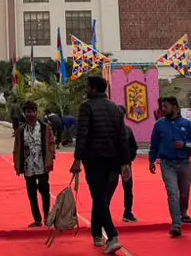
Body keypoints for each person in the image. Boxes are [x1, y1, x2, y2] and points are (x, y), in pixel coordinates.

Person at [70, 75, 130, 254]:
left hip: (94, 159)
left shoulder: (86, 107)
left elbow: (82, 134)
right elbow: (123, 137)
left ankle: (112, 235)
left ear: (94, 88)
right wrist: (125, 162)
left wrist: (77, 159)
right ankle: (96, 233)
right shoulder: (116, 108)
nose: (86, 90)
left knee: (99, 198)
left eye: (87, 87)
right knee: (103, 198)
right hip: (114, 160)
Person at [148, 96, 191, 237]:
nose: (163, 109)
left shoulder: (188, 124)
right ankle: (176, 224)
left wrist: (185, 145)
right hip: (167, 163)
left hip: (184, 163)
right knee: (172, 192)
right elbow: (154, 144)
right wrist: (151, 160)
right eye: (162, 107)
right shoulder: (159, 125)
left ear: (175, 107)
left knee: (184, 192)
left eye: (166, 106)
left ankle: (183, 213)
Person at [12, 101, 55, 227]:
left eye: (32, 111)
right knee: (32, 194)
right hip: (28, 167)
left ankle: (47, 216)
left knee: (45, 192)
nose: (30, 114)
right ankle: (37, 219)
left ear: (36, 112)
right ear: (24, 114)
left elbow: (51, 143)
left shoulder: (45, 128)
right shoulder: (20, 131)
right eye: (27, 112)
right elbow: (16, 148)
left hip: (42, 166)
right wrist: (17, 164)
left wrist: (51, 156)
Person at [116, 105, 139, 224]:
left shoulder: (127, 130)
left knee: (128, 188)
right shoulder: (108, 131)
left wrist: (129, 159)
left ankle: (128, 212)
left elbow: (134, 147)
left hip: (125, 165)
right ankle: (104, 212)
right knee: (108, 189)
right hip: (111, 165)